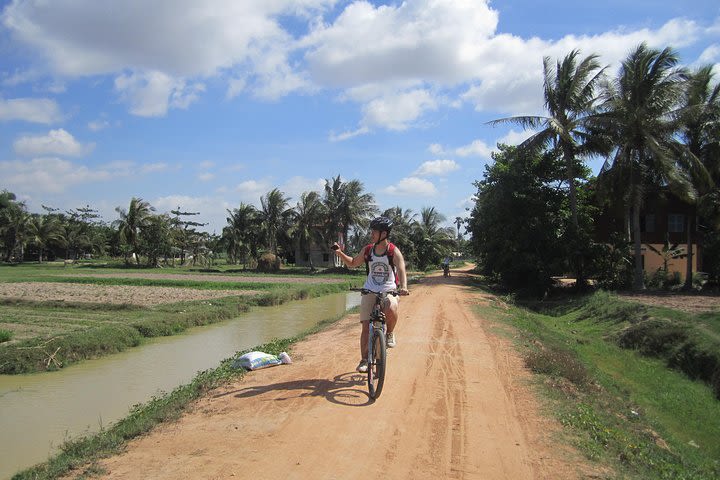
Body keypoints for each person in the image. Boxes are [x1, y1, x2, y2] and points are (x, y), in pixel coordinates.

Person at [332, 216, 409, 373]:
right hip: (370, 289)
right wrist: (340, 253)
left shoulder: (393, 251)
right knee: (366, 327)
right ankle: (364, 360)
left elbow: (401, 268)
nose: (372, 234)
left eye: (375, 231)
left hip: (388, 289)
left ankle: (390, 333)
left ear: (384, 234)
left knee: (392, 306)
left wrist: (404, 286)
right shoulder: (368, 250)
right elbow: (353, 263)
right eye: (372, 231)